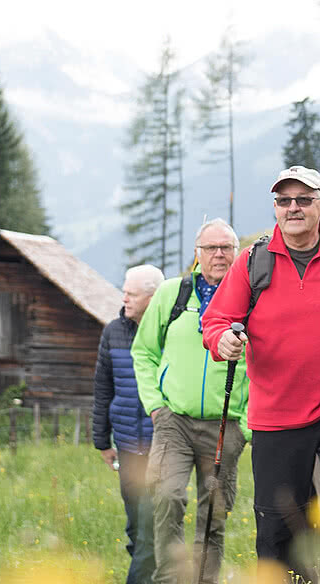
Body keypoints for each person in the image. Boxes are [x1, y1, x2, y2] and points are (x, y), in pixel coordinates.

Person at [202, 166, 320, 581]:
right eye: (284, 200)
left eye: (303, 199)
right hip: (277, 411)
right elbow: (216, 319)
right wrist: (222, 339)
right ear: (275, 208)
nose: (293, 207)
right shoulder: (253, 261)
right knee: (279, 525)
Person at [132, 219, 249, 584]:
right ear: (196, 254)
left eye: (226, 247)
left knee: (213, 512)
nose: (219, 254)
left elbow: (269, 364)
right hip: (174, 421)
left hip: (226, 424)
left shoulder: (251, 298)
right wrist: (155, 405)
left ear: (236, 252)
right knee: (167, 497)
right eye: (210, 248)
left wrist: (245, 423)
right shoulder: (172, 294)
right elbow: (144, 352)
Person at [93, 263, 165, 584]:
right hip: (126, 445)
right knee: (136, 524)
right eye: (124, 292)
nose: (125, 299)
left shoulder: (168, 332)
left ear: (152, 297)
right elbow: (102, 387)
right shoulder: (113, 332)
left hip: (160, 445)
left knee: (150, 528)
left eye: (132, 294)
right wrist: (101, 441)